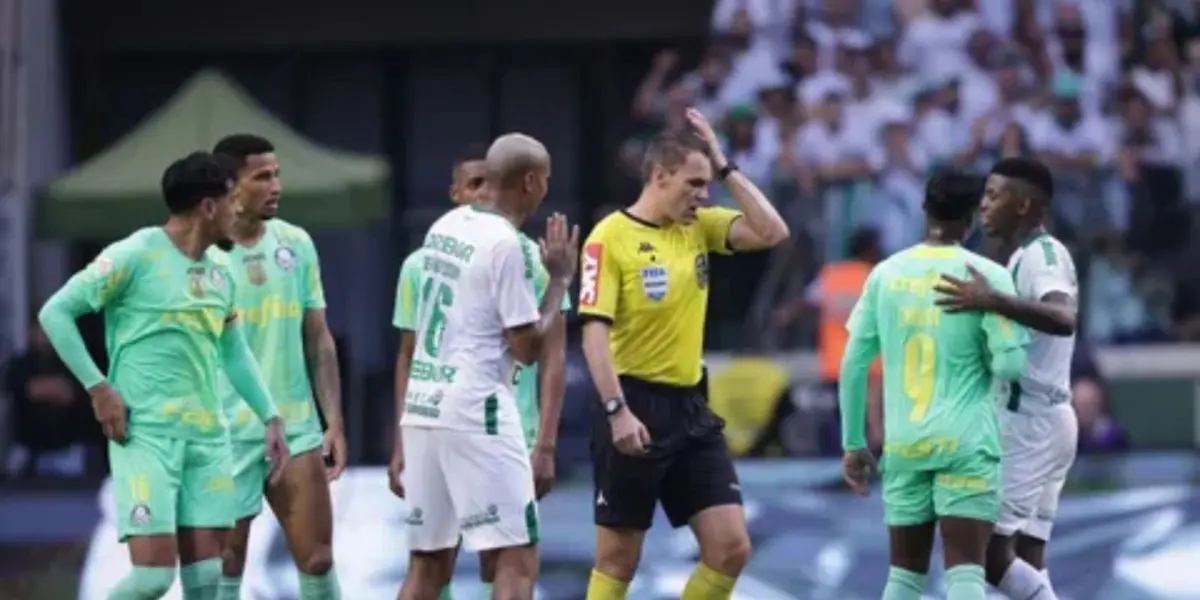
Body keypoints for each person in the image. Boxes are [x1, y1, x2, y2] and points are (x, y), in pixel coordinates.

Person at [36, 151, 290, 600]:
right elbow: (55, 313)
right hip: (147, 436)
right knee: (152, 579)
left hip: (208, 441)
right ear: (208, 207)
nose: (239, 213)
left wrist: (270, 415)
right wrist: (99, 387)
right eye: (232, 202)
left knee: (207, 582)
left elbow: (234, 352)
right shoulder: (134, 255)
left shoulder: (221, 274)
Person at [580, 108, 789, 600]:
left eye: (707, 184)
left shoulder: (698, 227)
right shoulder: (609, 237)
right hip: (633, 402)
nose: (703, 195)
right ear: (660, 175)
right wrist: (616, 410)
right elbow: (593, 334)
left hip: (691, 406)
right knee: (618, 560)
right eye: (694, 184)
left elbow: (772, 231)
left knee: (730, 548)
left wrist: (724, 164)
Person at [389, 133, 578, 600]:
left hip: (425, 407)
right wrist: (558, 280)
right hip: (478, 411)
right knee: (517, 559)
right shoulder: (506, 245)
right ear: (530, 182)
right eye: (546, 180)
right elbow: (527, 348)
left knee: (427, 566)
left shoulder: (444, 227)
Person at [839, 171, 1029, 600]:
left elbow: (854, 364)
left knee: (905, 577)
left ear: (925, 211)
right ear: (973, 217)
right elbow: (1011, 366)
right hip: (967, 444)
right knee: (965, 572)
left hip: (905, 443)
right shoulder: (987, 278)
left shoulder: (885, 275)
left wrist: (853, 443)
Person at [934, 157, 1078, 600]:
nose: (983, 204)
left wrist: (991, 299)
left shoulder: (1042, 256)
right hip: (1046, 417)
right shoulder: (1022, 256)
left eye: (994, 195)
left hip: (1030, 422)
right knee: (1028, 558)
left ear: (1024, 204)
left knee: (985, 555)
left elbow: (1063, 317)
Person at [210, 134, 345, 600]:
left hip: (296, 428)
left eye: (277, 175)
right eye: (262, 177)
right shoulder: (199, 255)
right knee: (226, 564)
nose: (276, 186)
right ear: (230, 184)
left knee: (318, 559)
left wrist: (333, 421)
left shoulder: (296, 243)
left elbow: (318, 338)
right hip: (224, 432)